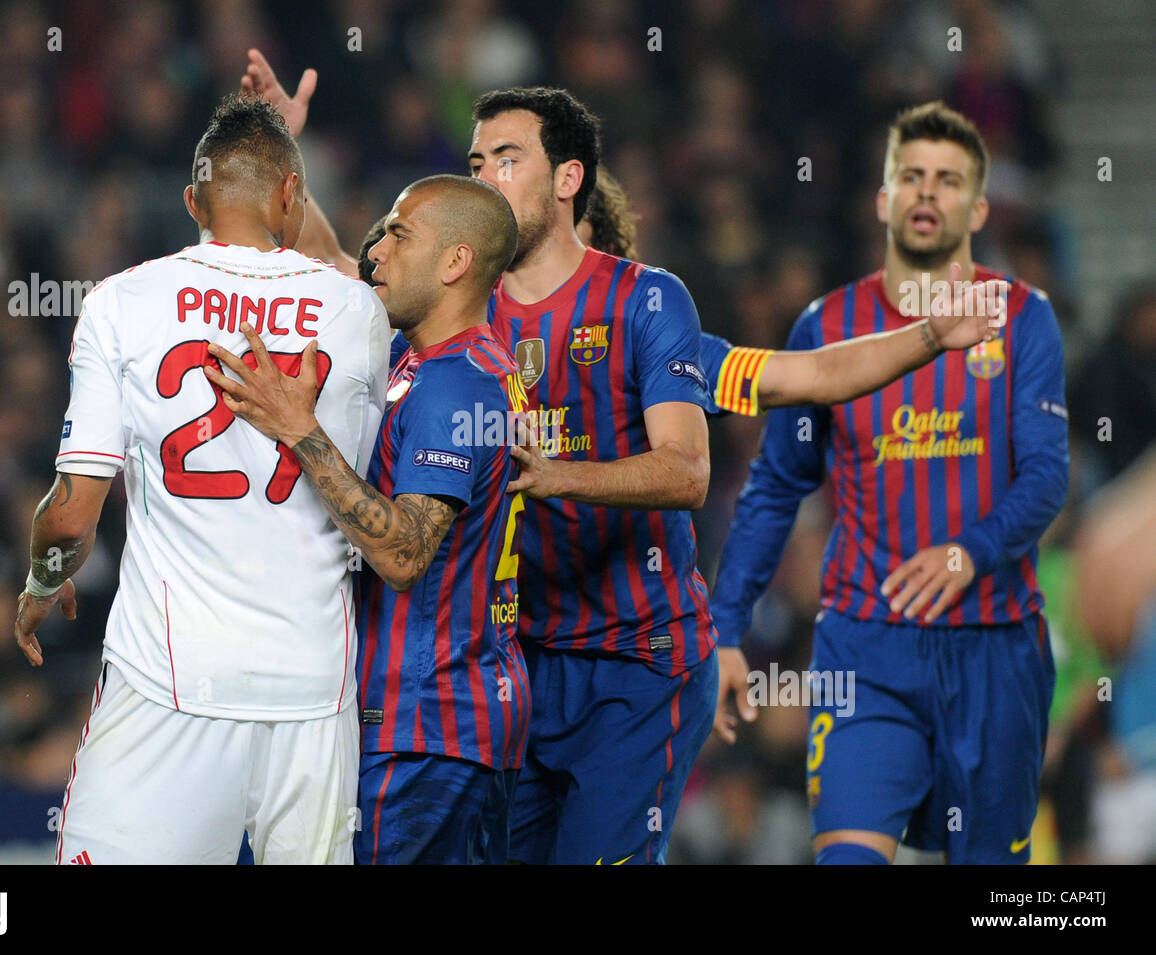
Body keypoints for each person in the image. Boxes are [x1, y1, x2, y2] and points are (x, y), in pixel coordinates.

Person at [245, 55, 1003, 864]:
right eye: (475, 162)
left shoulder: (648, 303)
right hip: (519, 667)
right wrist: (290, 154)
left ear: (568, 178)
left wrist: (929, 334)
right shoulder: (457, 304)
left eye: (508, 158)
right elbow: (350, 277)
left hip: (637, 662)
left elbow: (711, 452)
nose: (486, 174)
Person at [12, 95, 390, 864]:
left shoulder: (123, 302)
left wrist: (42, 579)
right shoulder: (359, 313)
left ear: (193, 202)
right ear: (291, 193)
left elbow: (70, 517)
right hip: (314, 695)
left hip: (168, 684)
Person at [705, 101, 1068, 864]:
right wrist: (727, 626)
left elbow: (1045, 476)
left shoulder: (1023, 318)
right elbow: (776, 486)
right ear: (882, 198)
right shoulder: (825, 327)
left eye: (948, 180)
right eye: (911, 176)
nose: (927, 193)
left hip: (995, 650)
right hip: (863, 652)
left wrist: (968, 551)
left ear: (977, 205)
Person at [206, 174, 530, 864]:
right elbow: (340, 276)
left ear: (455, 263)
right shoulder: (432, 362)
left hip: (427, 727)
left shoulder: (455, 385)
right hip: (440, 722)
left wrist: (300, 431)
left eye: (398, 233)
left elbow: (406, 552)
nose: (375, 250)